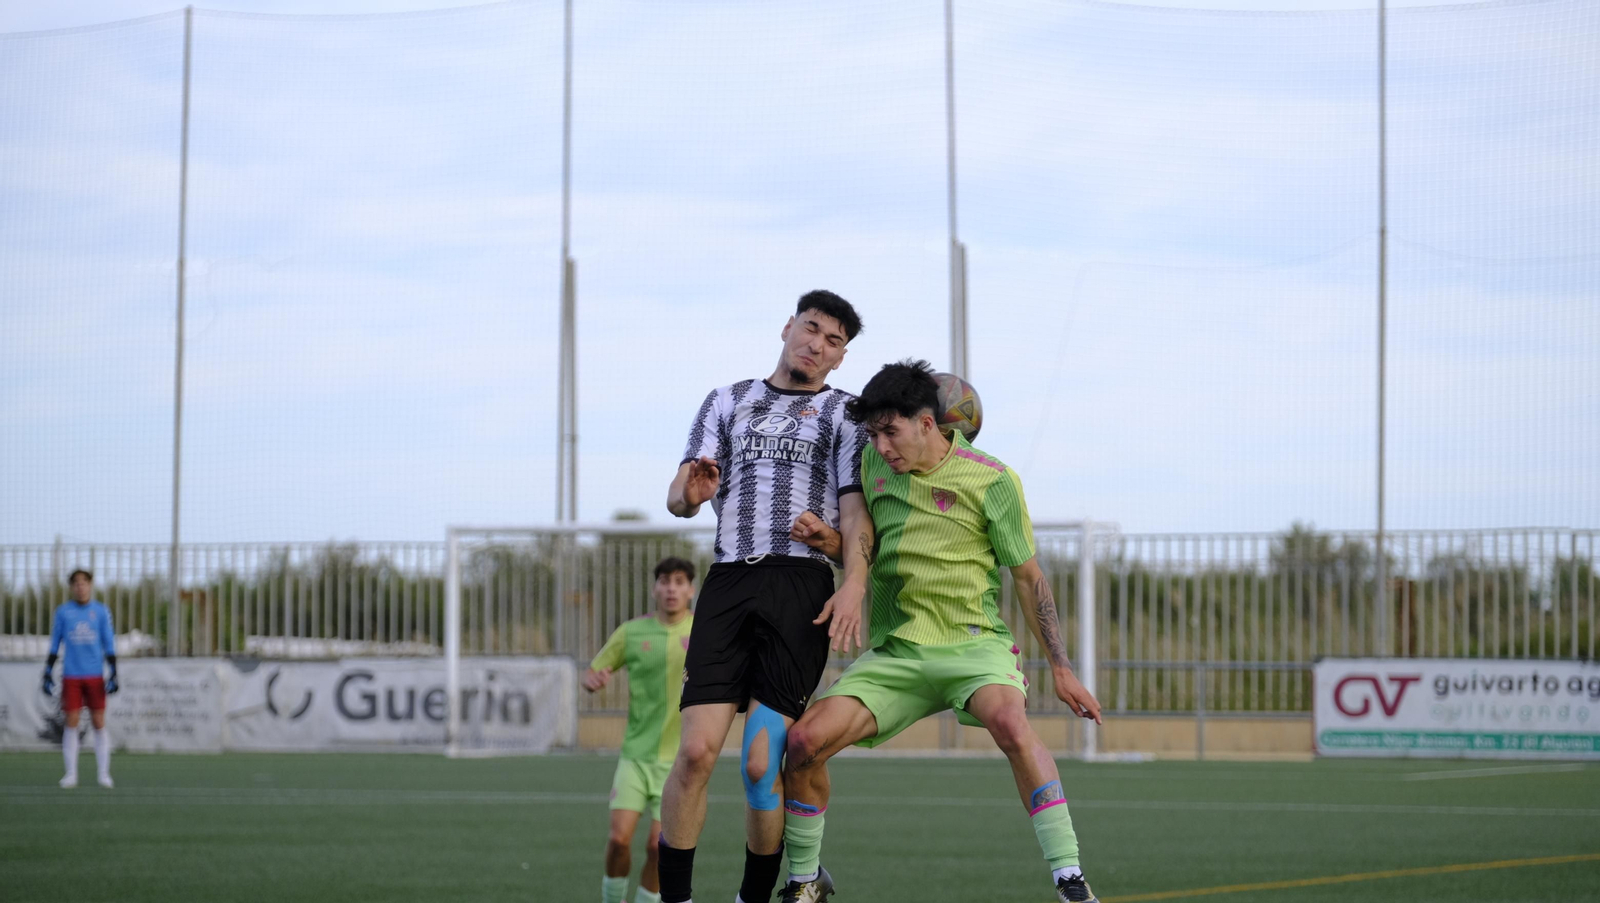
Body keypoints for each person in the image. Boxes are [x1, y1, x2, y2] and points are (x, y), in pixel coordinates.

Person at [782, 359, 1105, 903]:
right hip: (898, 652)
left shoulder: (993, 479)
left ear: (928, 423)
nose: (881, 446)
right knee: (803, 742)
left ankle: (1069, 878)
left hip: (974, 648)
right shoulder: (870, 467)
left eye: (891, 431)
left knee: (1009, 722)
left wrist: (1062, 668)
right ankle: (805, 878)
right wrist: (831, 543)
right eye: (873, 434)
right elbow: (870, 551)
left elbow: (1028, 579)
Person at [659, 290, 874, 903]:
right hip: (729, 582)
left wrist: (850, 573)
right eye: (810, 329)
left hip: (800, 588)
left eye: (834, 342)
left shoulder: (846, 414)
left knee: (759, 764)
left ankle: (754, 898)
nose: (817, 344)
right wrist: (690, 495)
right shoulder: (725, 400)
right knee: (697, 753)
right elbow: (678, 497)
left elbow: (857, 519)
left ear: (839, 358)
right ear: (787, 328)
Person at [584, 557, 699, 903]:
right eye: (665, 581)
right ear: (655, 588)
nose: (671, 588)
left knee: (657, 847)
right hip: (635, 756)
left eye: (679, 581)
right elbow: (594, 671)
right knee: (619, 840)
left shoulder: (703, 631)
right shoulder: (631, 632)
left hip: (677, 761)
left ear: (691, 590)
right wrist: (593, 680)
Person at [42, 569, 119, 789]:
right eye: (76, 583)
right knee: (71, 722)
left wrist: (114, 670)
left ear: (90, 585)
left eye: (84, 582)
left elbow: (108, 642)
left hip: (95, 675)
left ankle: (104, 774)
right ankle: (71, 774)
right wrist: (48, 670)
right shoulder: (64, 612)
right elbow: (55, 642)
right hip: (71, 675)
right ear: (71, 587)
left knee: (98, 722)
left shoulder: (101, 611)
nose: (80, 587)